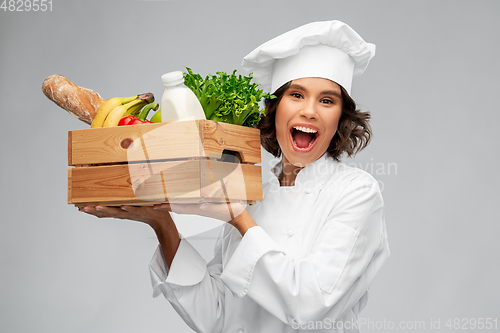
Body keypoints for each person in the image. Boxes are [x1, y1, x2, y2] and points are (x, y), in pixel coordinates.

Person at [81, 20, 390, 333]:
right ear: (275, 109)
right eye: (296, 95)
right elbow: (216, 316)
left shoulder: (357, 193)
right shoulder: (255, 193)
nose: (310, 111)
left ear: (340, 119)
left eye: (327, 100)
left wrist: (239, 219)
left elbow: (308, 307)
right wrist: (161, 223)